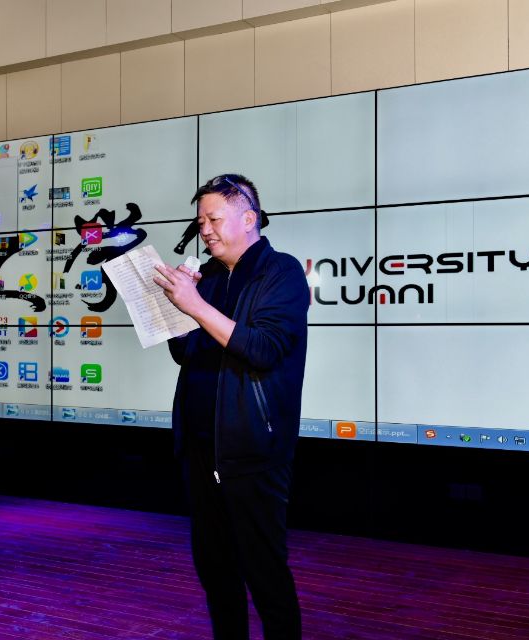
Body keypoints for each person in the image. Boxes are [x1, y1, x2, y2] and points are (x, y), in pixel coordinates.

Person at [154, 174, 309, 639]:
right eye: (200, 221)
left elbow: (262, 349)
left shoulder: (280, 272)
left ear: (248, 219)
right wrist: (176, 312)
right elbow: (187, 352)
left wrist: (195, 306)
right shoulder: (210, 277)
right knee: (215, 570)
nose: (204, 229)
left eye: (214, 219)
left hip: (252, 449)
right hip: (202, 447)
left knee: (264, 572)